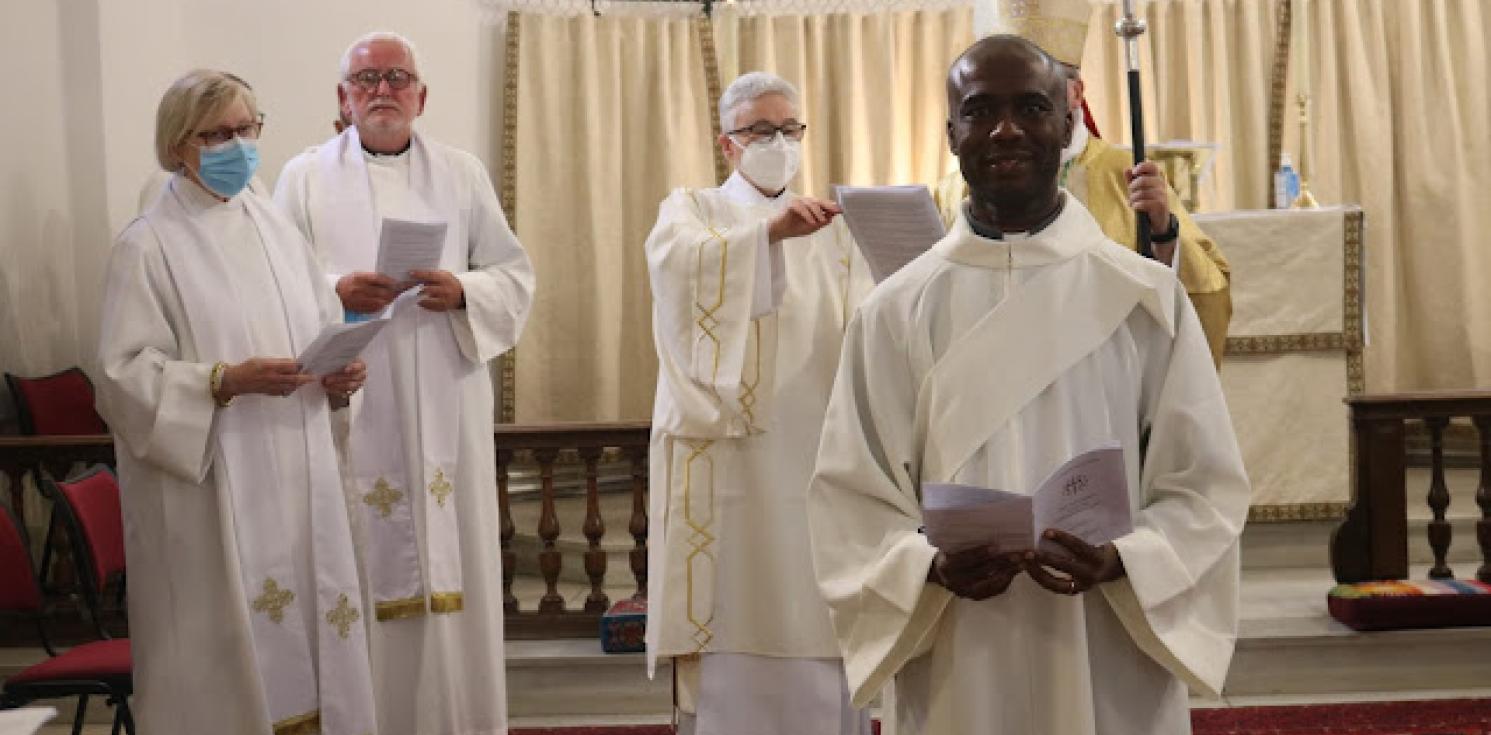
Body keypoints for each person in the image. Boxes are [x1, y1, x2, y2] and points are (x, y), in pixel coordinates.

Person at [807, 37, 1251, 734]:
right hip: (959, 644)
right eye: (979, 111)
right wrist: (923, 564)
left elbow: (1205, 483)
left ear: (1069, 125)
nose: (1005, 129)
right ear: (951, 133)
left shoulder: (1142, 297)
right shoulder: (894, 310)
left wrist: (1126, 559)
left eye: (1031, 107)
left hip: (1105, 641)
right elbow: (849, 493)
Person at [97, 69, 375, 735]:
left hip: (298, 468)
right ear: (176, 145)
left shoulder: (275, 227)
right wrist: (222, 381)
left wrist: (337, 381)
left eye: (246, 129)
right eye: (217, 133)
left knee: (313, 632)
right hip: (213, 487)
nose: (237, 145)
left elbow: (317, 327)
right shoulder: (148, 243)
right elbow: (122, 375)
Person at [274, 31, 534, 735]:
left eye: (396, 78)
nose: (382, 90)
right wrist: (336, 287)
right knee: (354, 561)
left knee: (453, 556)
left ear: (421, 95)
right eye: (366, 80)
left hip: (445, 391)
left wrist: (465, 289)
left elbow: (513, 274)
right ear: (342, 97)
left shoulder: (462, 172)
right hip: (348, 397)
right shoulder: (302, 177)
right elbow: (270, 285)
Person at [643, 71, 876, 735]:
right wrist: (766, 237)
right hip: (728, 460)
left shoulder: (833, 221)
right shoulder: (691, 210)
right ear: (728, 143)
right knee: (733, 602)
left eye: (789, 129)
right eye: (760, 130)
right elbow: (676, 270)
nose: (777, 141)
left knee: (816, 609)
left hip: (817, 457)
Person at [932, 0, 1233, 365]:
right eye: (987, 106)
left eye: (1031, 99)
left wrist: (1164, 234)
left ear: (1074, 94)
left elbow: (1206, 296)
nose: (1007, 128)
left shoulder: (1129, 176)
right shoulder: (954, 189)